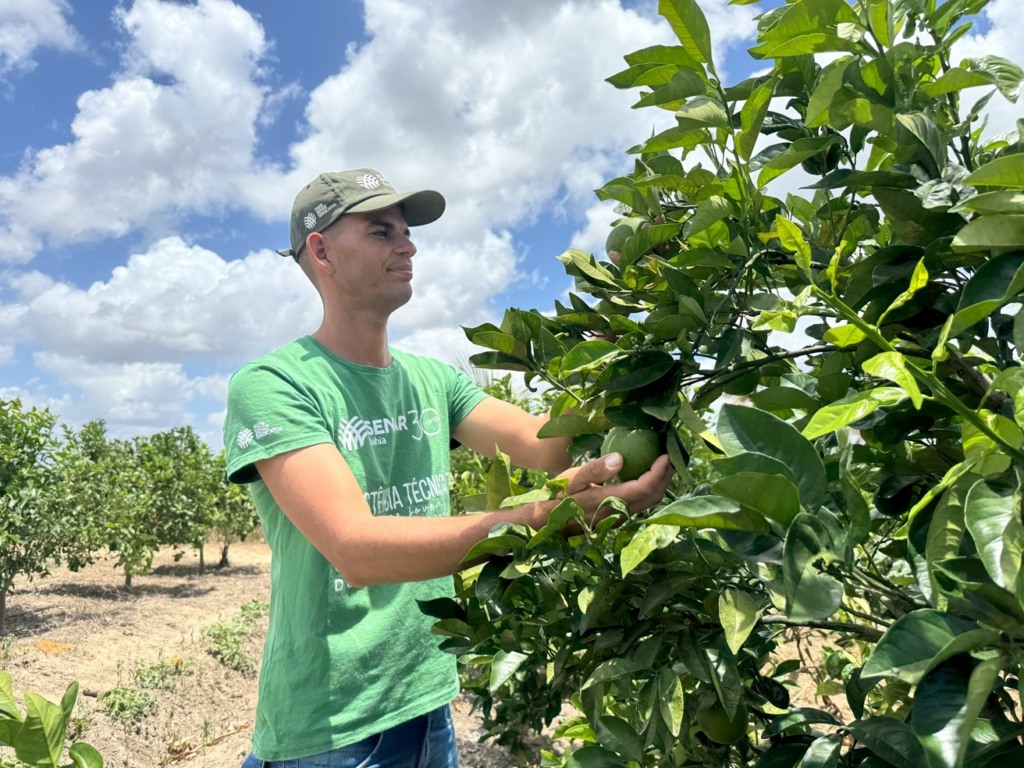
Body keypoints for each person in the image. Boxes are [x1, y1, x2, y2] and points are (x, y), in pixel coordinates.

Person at [223, 168, 673, 768]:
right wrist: (545, 519)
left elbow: (549, 445)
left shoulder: (433, 380)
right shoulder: (274, 385)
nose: (407, 245)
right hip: (334, 726)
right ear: (322, 250)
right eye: (382, 231)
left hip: (428, 699)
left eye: (407, 232)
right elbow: (357, 548)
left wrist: (635, 314)